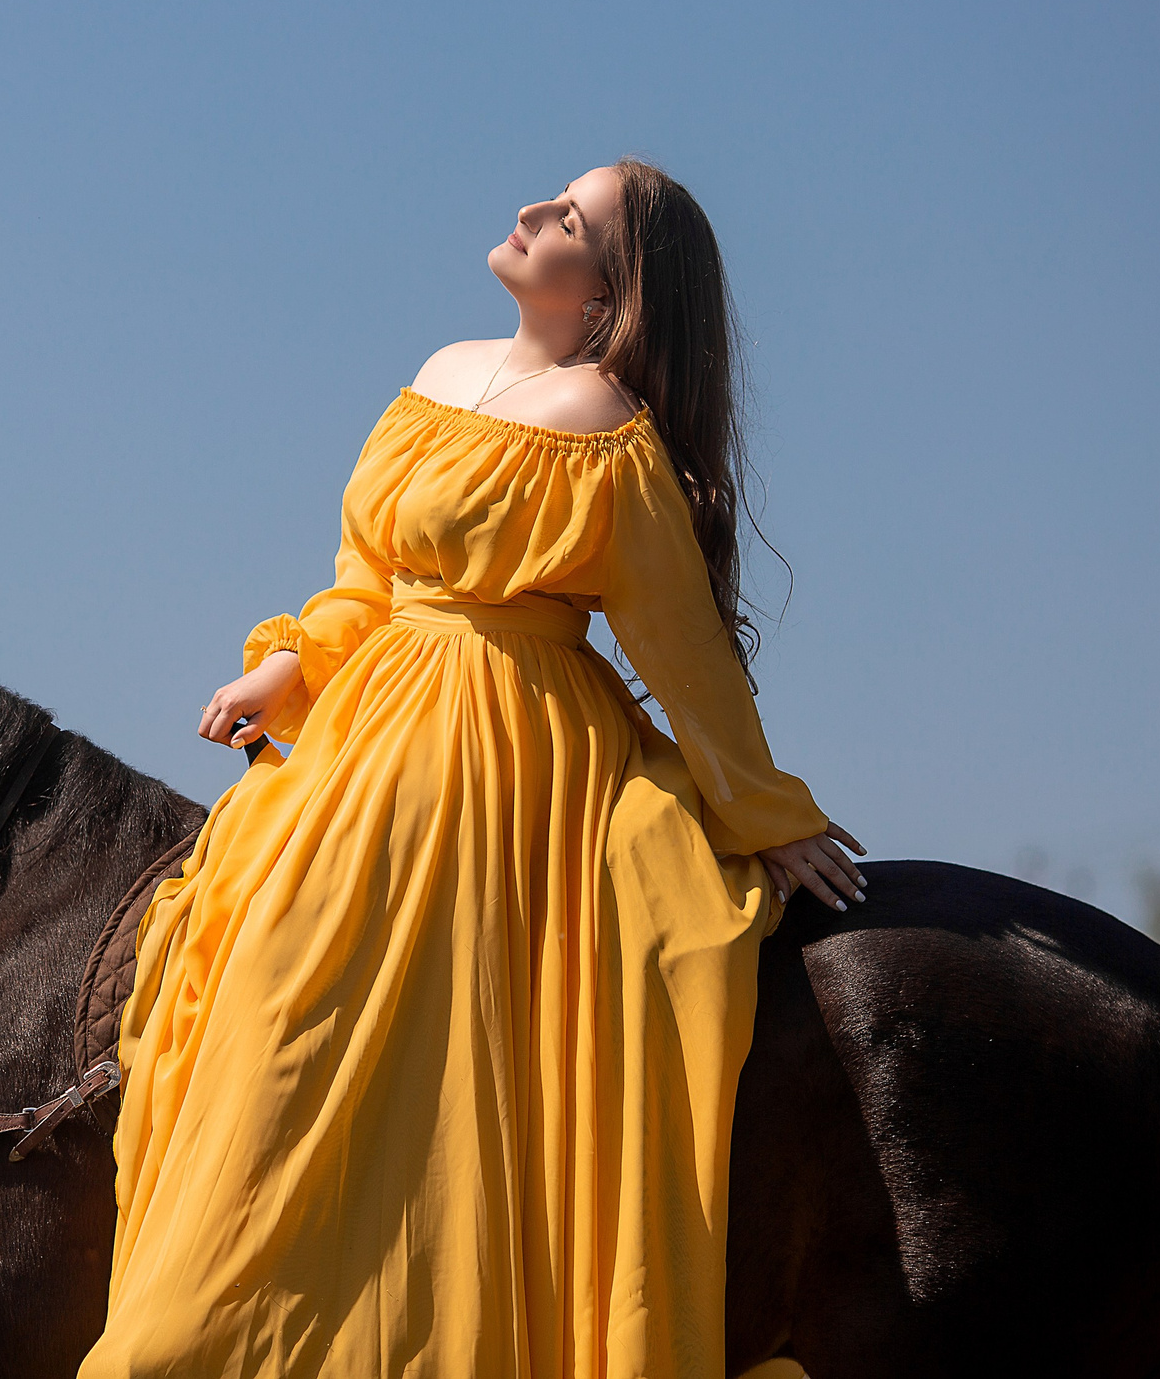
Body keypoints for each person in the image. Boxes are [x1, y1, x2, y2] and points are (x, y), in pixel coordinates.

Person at [77, 159, 867, 1379]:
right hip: (371, 717)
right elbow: (365, 573)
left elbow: (681, 648)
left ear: (608, 292)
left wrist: (764, 811)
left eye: (570, 220)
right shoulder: (440, 372)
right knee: (243, 952)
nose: (532, 212)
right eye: (551, 196)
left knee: (336, 979)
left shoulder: (603, 429)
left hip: (499, 742)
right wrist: (289, 666)